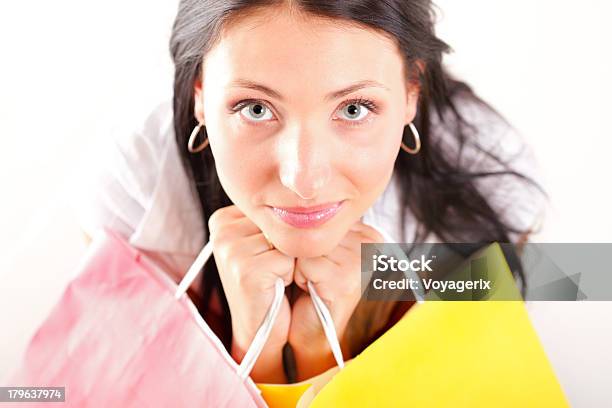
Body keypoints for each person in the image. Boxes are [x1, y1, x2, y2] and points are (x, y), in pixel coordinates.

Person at [72, 0, 547, 384]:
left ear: (410, 94)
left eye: (355, 109)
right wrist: (254, 348)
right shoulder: (135, 185)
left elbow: (577, 282)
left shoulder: (488, 177)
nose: (304, 180)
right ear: (200, 95)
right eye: (255, 108)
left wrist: (328, 344)